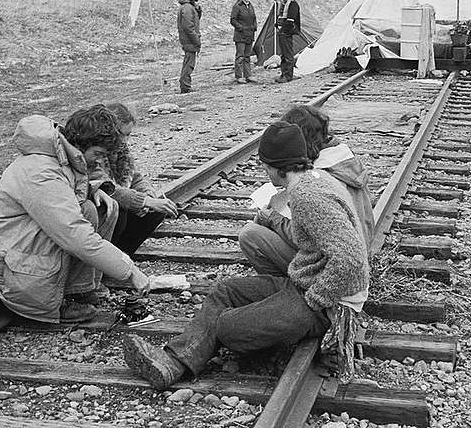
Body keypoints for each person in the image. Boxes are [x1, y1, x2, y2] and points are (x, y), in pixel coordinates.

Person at [122, 121, 369, 389]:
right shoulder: (314, 181)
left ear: (280, 166)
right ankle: (174, 362)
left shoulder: (309, 197)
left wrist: (316, 299)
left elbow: (352, 258)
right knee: (225, 291)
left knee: (227, 327)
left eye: (265, 165)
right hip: (303, 282)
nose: (264, 171)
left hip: (326, 305)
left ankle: (217, 344)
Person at [0, 105, 152, 324]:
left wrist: (95, 189)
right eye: (97, 154)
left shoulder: (61, 156)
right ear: (79, 143)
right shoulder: (41, 172)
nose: (97, 162)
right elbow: (73, 232)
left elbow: (64, 195)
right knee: (77, 223)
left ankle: (76, 291)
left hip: (19, 250)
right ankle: (53, 298)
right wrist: (130, 270)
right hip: (4, 271)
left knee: (92, 208)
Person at [239, 105, 376, 276]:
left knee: (250, 235)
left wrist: (273, 218)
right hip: (357, 253)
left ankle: (286, 288)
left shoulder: (318, 181)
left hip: (334, 269)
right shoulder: (344, 160)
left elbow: (310, 237)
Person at [89, 103, 179, 285]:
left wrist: (148, 193)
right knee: (116, 210)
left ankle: (122, 259)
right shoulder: (94, 153)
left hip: (115, 203)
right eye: (122, 135)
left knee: (155, 211)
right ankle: (106, 264)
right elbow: (109, 189)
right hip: (96, 210)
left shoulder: (121, 151)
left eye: (128, 135)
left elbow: (135, 177)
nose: (124, 141)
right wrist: (144, 201)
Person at [272, 0, 301, 83]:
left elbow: (290, 20)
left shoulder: (293, 4)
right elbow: (281, 18)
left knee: (288, 54)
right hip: (283, 32)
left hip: (287, 33)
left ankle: (288, 75)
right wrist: (277, 26)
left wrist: (283, 29)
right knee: (284, 54)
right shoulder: (284, 5)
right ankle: (284, 73)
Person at [176, 0, 202, 93]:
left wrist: (198, 10)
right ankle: (185, 86)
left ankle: (185, 85)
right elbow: (188, 27)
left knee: (188, 62)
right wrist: (196, 40)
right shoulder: (187, 8)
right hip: (189, 40)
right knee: (189, 64)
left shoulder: (188, 7)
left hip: (188, 39)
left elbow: (194, 20)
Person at [229, 0, 257, 84]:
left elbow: (254, 18)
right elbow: (233, 20)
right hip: (240, 35)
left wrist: (254, 27)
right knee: (240, 56)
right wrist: (241, 27)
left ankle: (248, 75)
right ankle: (238, 76)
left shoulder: (251, 6)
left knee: (247, 56)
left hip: (250, 34)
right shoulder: (237, 6)